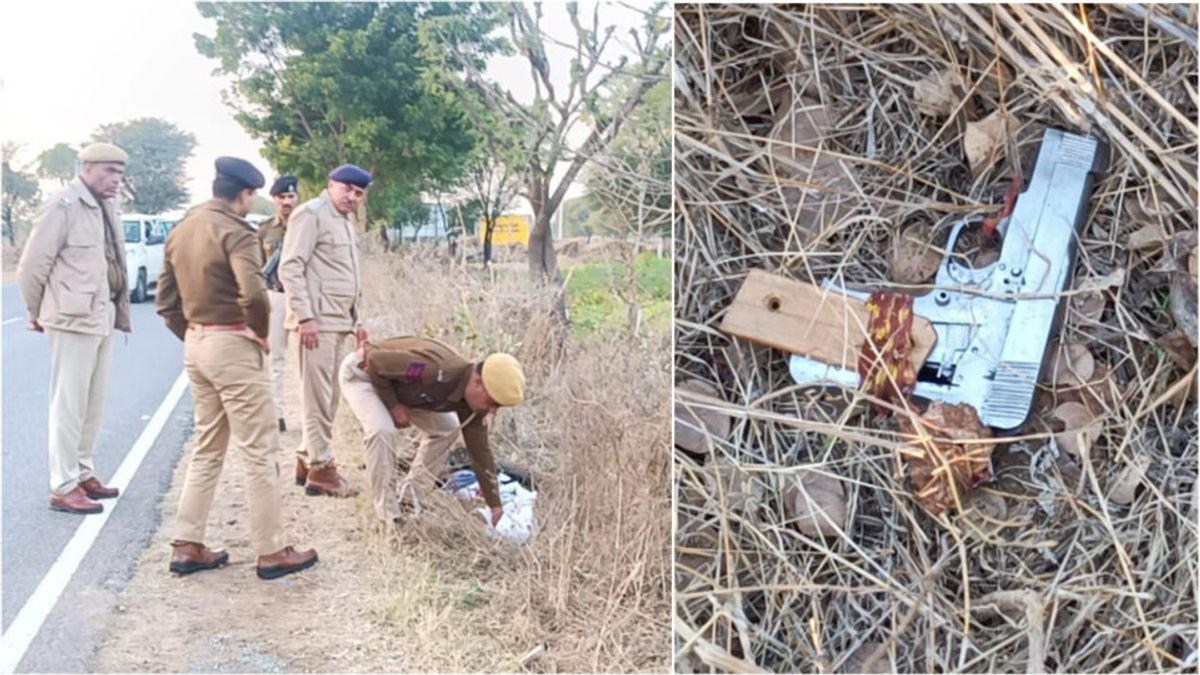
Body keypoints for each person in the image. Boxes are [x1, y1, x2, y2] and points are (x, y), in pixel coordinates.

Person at [156, 156, 317, 579]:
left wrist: (196, 335)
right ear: (244, 194)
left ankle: (187, 543)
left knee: (208, 446)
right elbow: (255, 294)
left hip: (196, 343)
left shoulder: (182, 228)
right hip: (233, 342)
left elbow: (165, 303)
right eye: (252, 196)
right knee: (259, 449)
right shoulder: (236, 232)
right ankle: (271, 550)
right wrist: (260, 333)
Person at [17, 142, 131, 515]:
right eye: (109, 171)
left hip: (100, 315)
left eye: (120, 172)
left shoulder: (106, 207)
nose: (116, 179)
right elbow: (33, 265)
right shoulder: (63, 205)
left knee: (92, 403)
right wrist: (36, 311)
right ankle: (63, 485)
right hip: (70, 316)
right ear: (87, 167)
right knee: (68, 404)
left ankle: (83, 473)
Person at [337, 336, 525, 525]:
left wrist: (495, 507)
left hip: (400, 387)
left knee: (447, 429)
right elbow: (375, 361)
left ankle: (411, 497)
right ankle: (387, 517)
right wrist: (393, 406)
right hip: (364, 375)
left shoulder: (473, 400)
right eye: (493, 403)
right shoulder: (433, 371)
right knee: (382, 430)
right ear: (477, 383)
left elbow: (479, 451)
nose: (492, 411)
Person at [279, 164, 371, 497]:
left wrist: (358, 321)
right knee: (317, 399)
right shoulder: (311, 214)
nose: (353, 197)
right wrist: (304, 317)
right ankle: (322, 468)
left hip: (338, 321)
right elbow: (290, 267)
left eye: (359, 193)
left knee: (329, 398)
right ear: (330, 184)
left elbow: (349, 276)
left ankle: (307, 459)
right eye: (347, 189)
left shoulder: (344, 221)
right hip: (315, 323)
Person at [257, 174, 299, 432]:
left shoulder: (308, 225)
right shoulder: (264, 230)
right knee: (275, 359)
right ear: (274, 199)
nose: (286, 202)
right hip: (276, 295)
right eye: (281, 197)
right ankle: (277, 414)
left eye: (290, 196)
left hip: (301, 299)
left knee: (306, 361)